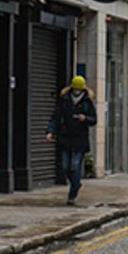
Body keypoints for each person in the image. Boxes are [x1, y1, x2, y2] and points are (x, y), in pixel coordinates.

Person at [45, 75, 97, 206]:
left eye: (79, 89)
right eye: (75, 89)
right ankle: (76, 184)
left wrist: (85, 118)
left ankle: (72, 194)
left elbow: (94, 119)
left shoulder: (87, 101)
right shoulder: (64, 100)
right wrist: (50, 131)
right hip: (65, 137)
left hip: (80, 139)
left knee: (77, 166)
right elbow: (55, 117)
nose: (76, 91)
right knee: (65, 166)